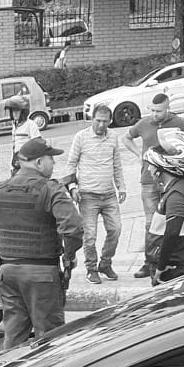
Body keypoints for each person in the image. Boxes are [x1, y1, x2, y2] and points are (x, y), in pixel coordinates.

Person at [0, 138, 82, 349]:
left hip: (8, 272)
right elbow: (73, 228)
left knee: (14, 335)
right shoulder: (51, 189)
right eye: (50, 159)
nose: (53, 164)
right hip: (41, 273)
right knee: (50, 339)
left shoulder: (1, 189)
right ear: (38, 163)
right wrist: (69, 256)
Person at [122, 93, 184, 279]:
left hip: (176, 266)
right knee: (152, 224)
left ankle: (156, 261)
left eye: (159, 111)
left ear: (168, 109)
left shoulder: (178, 122)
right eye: (152, 110)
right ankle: (148, 261)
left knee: (169, 224)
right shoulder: (143, 123)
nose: (155, 114)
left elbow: (173, 231)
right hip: (149, 182)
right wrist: (140, 156)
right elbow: (126, 138)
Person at [63, 104, 126, 285]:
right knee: (89, 235)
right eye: (98, 121)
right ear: (92, 119)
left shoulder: (113, 137)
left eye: (105, 122)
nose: (100, 125)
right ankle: (91, 268)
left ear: (110, 121)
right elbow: (71, 164)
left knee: (116, 229)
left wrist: (121, 187)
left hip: (109, 194)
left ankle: (105, 263)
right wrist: (73, 187)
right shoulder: (81, 137)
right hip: (87, 195)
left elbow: (117, 165)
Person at [143, 130, 184, 285]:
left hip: (174, 269)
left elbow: (172, 232)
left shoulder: (177, 195)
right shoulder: (179, 187)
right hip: (178, 265)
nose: (149, 169)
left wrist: (161, 267)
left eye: (151, 165)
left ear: (164, 166)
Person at [5, 95, 40, 170]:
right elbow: (15, 146)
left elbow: (38, 145)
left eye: (17, 110)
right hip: (17, 164)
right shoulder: (15, 125)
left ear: (23, 111)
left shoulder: (30, 124)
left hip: (28, 165)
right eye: (12, 111)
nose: (14, 113)